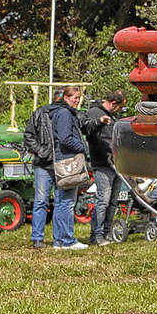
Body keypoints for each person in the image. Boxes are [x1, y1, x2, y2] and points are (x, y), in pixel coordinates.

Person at [27, 85, 89, 250]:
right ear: (62, 98)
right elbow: (29, 135)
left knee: (61, 200)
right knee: (43, 201)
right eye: (72, 97)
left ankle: (59, 239)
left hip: (59, 163)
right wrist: (40, 150)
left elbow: (85, 125)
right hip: (45, 163)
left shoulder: (69, 113)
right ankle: (39, 238)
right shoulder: (43, 113)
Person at [83, 90, 125, 245]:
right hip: (102, 163)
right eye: (119, 107)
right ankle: (96, 235)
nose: (119, 111)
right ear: (113, 103)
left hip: (116, 163)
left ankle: (107, 232)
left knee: (113, 201)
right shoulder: (95, 113)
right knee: (103, 200)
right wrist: (108, 149)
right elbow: (92, 135)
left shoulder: (112, 117)